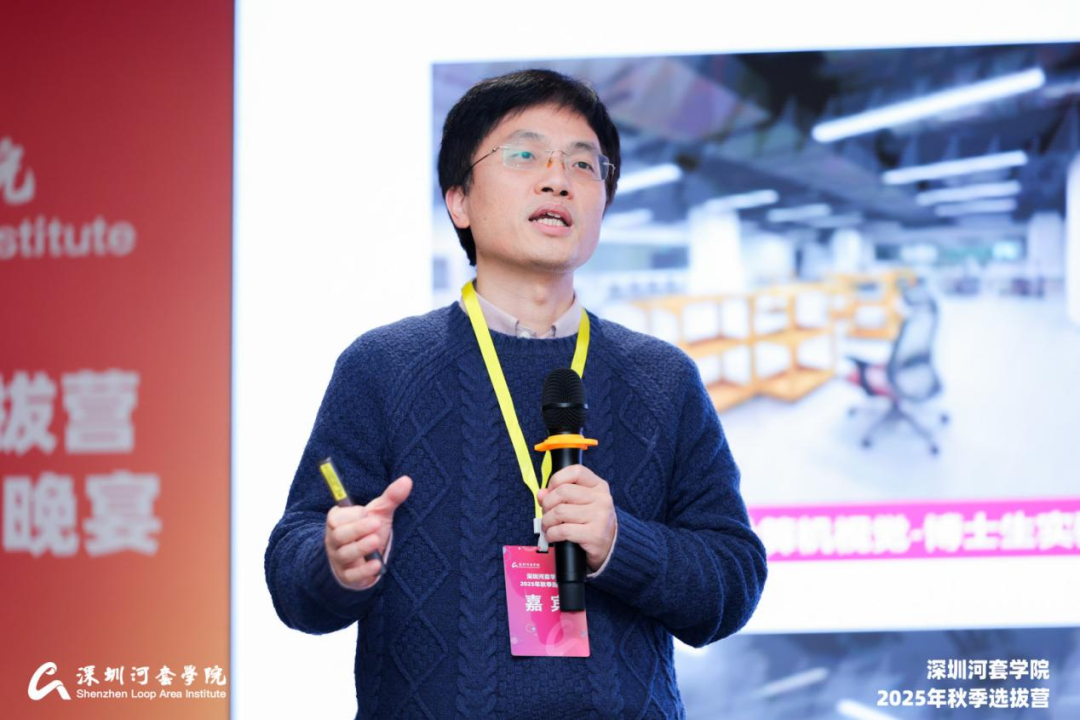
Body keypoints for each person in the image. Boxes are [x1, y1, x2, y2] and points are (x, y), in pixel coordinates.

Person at [265, 68, 767, 719]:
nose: (558, 179)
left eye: (583, 164)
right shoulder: (383, 366)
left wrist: (622, 544)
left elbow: (733, 579)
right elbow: (294, 563)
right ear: (459, 201)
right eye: (525, 155)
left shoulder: (663, 378)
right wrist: (333, 561)